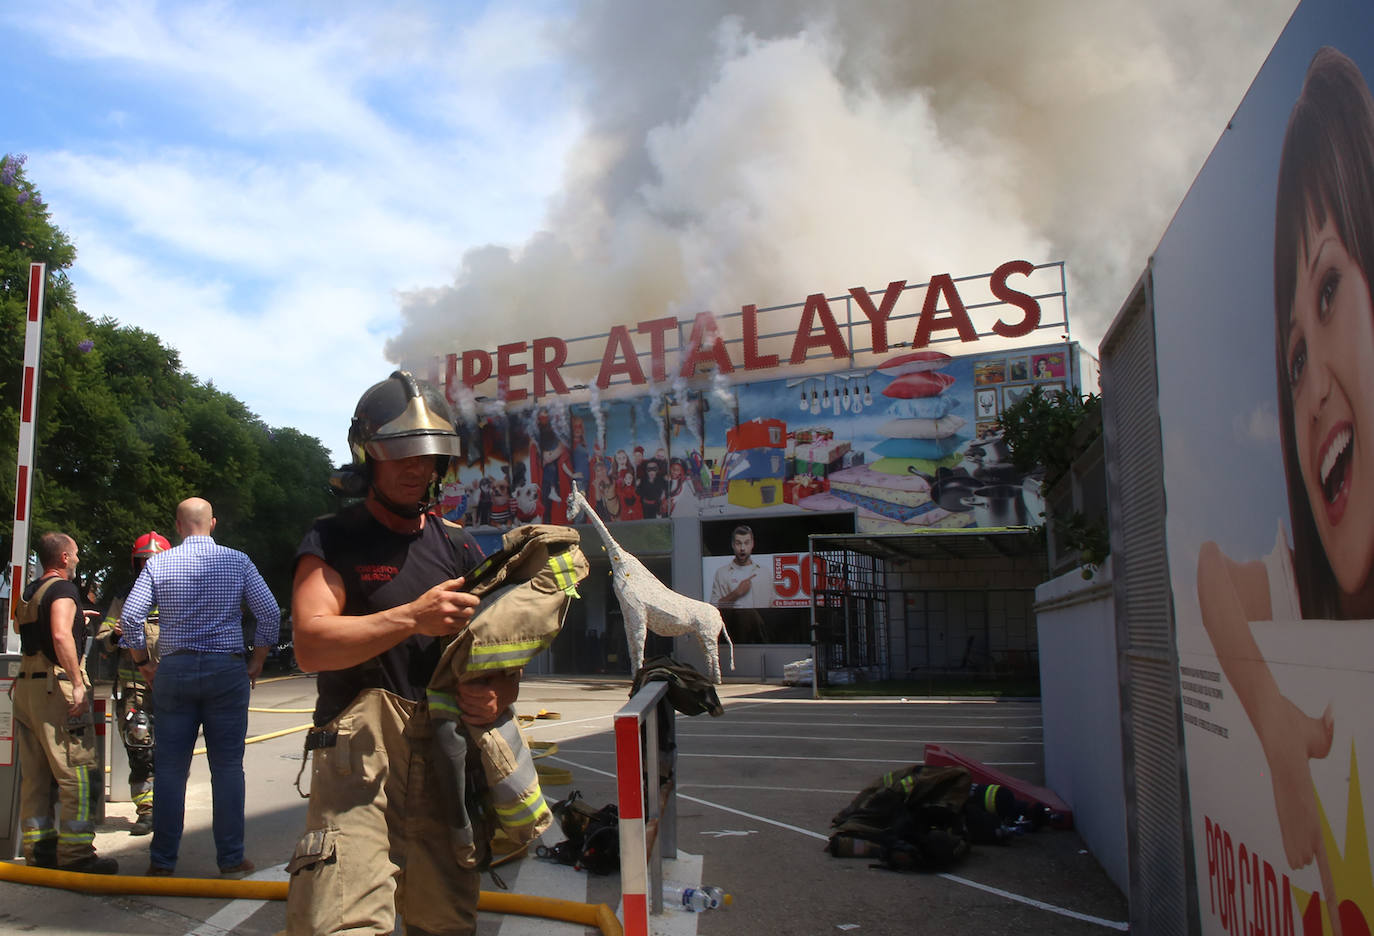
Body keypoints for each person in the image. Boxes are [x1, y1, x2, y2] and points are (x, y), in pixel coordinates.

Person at [1196, 47, 1374, 881]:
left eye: (1331, 288)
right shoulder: (1306, 585)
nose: (1311, 390)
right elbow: (1210, 572)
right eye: (1293, 355)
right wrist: (1271, 719)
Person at [285, 370, 519, 936]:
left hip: (444, 756)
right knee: (343, 920)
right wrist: (411, 617)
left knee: (447, 921)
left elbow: (496, 662)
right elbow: (312, 645)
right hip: (359, 761)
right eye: (402, 455)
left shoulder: (461, 546)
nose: (417, 468)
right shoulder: (332, 538)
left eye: (430, 457)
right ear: (368, 456)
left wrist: (493, 697)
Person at [120, 497, 280, 878]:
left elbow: (130, 617)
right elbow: (270, 612)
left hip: (174, 671)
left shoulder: (158, 563)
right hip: (226, 670)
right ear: (213, 523)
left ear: (178, 525)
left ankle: (161, 862)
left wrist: (144, 663)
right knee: (226, 768)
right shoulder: (238, 560)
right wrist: (257, 661)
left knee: (171, 769)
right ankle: (231, 859)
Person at [12, 532, 118, 874]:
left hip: (27, 689)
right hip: (54, 691)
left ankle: (38, 851)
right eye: (74, 555)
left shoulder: (32, 590)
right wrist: (75, 683)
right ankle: (76, 856)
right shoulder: (62, 589)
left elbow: (36, 628)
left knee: (37, 776)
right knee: (78, 773)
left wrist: (77, 620)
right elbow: (58, 635)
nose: (76, 560)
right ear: (62, 558)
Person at [94, 531, 172, 837]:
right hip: (135, 690)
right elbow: (103, 640)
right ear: (135, 563)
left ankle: (167, 806)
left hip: (171, 686)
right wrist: (115, 634)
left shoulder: (179, 592)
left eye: (154, 560)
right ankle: (147, 810)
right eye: (143, 561)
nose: (148, 565)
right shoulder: (124, 598)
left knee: (172, 748)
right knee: (140, 747)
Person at [710, 524, 768, 608]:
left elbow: (773, 605)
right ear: (733, 545)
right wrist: (736, 593)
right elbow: (713, 608)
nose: (742, 548)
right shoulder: (721, 573)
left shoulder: (765, 572)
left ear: (752, 544)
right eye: (738, 543)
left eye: (746, 543)